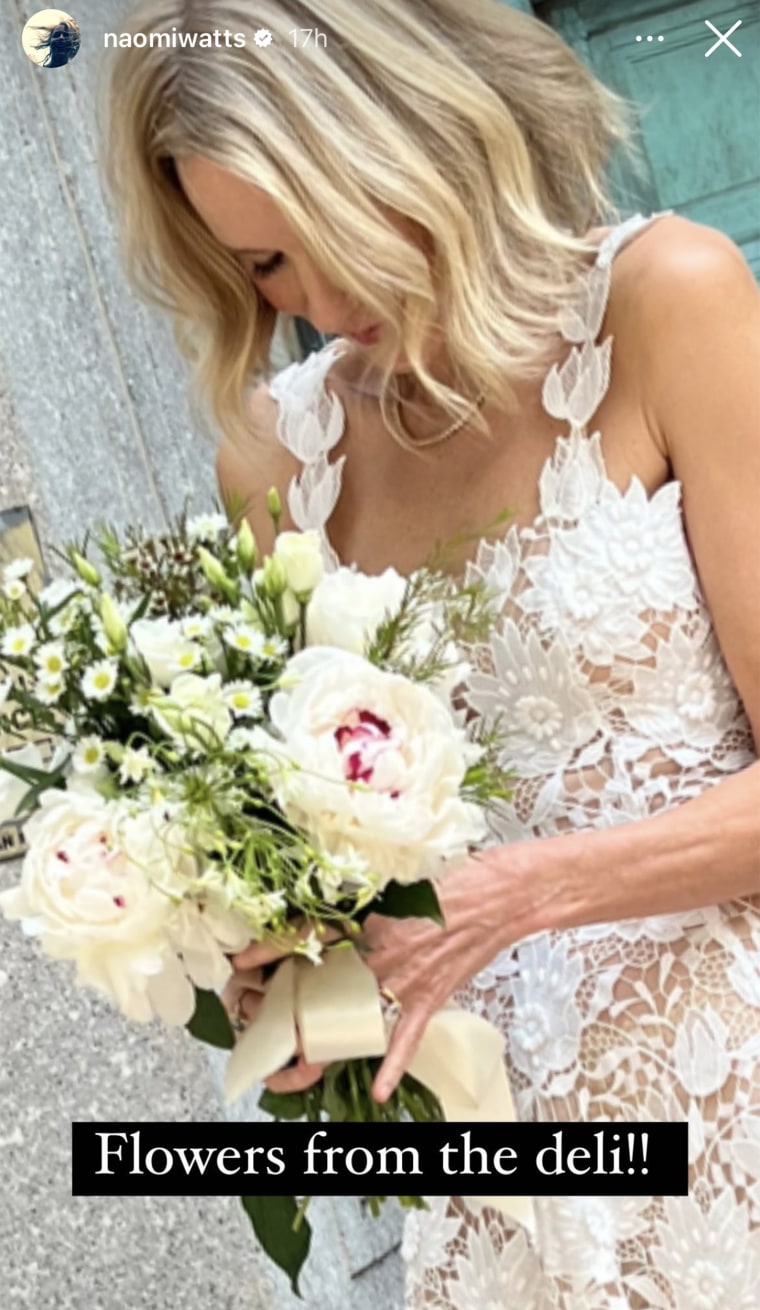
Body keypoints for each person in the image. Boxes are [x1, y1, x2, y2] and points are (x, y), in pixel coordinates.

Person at [104, 1, 760, 1304]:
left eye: (336, 229)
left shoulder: (663, 301)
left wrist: (519, 892)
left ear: (417, 139)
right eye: (268, 265)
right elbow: (340, 874)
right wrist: (279, 967)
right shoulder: (276, 456)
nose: (324, 301)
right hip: (500, 1199)